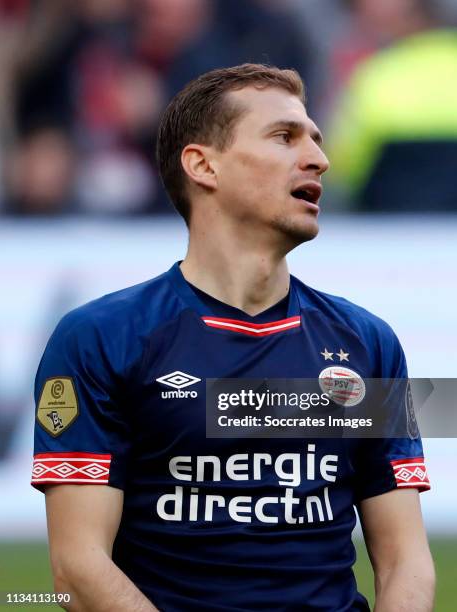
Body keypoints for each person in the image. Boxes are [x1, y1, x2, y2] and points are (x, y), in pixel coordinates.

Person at [32, 64, 435, 611]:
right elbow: (77, 568)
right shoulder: (101, 338)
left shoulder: (369, 343)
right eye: (284, 137)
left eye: (315, 139)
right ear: (203, 165)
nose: (319, 158)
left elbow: (407, 562)